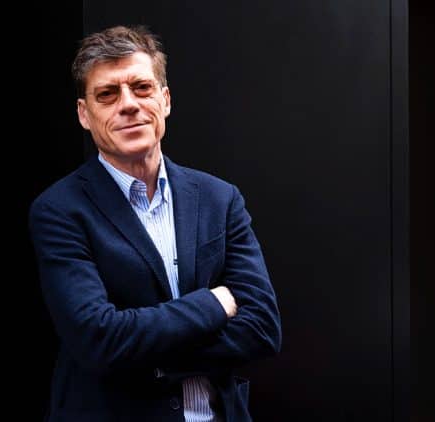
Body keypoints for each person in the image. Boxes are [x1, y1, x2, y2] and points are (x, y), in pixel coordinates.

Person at [28, 25, 281, 422]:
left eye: (141, 87)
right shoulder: (59, 210)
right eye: (107, 94)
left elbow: (262, 327)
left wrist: (152, 358)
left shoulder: (219, 198)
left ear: (165, 100)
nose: (128, 104)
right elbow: (98, 339)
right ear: (84, 114)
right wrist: (213, 303)